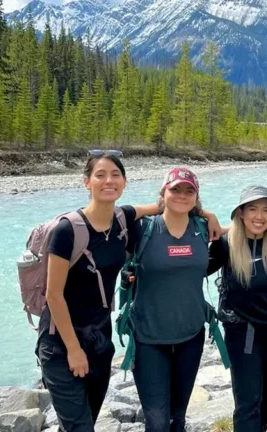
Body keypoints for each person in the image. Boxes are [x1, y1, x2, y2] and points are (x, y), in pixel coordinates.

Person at [37, 151, 176, 432]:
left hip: (100, 339)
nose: (108, 181)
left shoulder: (122, 219)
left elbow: (159, 206)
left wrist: (208, 216)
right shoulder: (67, 231)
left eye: (115, 175)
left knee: (84, 420)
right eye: (100, 175)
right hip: (60, 343)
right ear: (86, 182)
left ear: (124, 182)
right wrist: (74, 351)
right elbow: (53, 296)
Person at [129, 167, 217, 432]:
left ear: (196, 197)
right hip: (148, 338)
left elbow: (245, 230)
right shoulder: (142, 229)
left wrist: (207, 214)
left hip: (191, 336)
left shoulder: (203, 230)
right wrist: (153, 207)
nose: (182, 195)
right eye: (175, 189)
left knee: (177, 418)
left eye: (189, 191)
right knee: (156, 422)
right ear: (163, 192)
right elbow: (111, 216)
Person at [206, 185, 267, 432]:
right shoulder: (226, 244)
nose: (260, 216)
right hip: (241, 330)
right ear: (241, 213)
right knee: (248, 401)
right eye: (253, 209)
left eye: (266, 210)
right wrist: (208, 217)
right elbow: (193, 267)